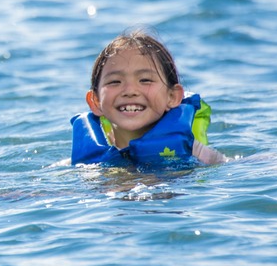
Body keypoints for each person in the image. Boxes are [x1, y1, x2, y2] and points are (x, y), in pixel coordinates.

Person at [70, 29, 227, 166]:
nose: (130, 90)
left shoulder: (195, 153)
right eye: (115, 81)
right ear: (95, 101)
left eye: (145, 80)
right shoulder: (85, 165)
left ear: (172, 96)